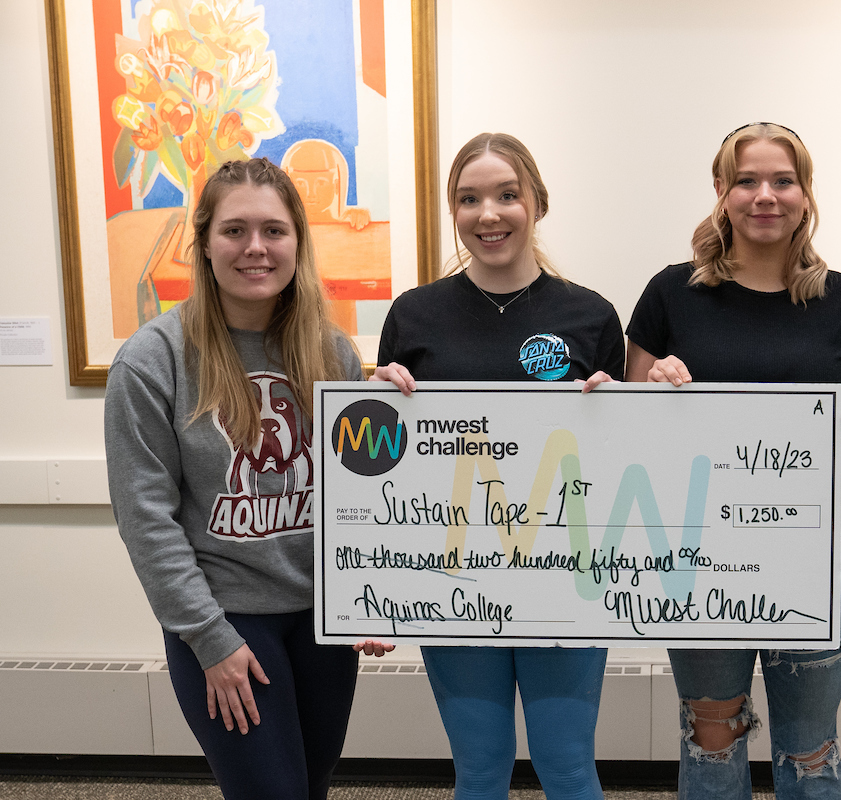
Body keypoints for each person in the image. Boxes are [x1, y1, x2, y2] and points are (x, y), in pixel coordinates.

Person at [625, 122, 841, 799]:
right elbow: (628, 432)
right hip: (698, 539)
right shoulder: (670, 293)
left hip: (812, 540)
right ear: (721, 191)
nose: (764, 196)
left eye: (782, 181)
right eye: (747, 180)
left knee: (810, 743)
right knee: (710, 731)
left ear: (805, 195)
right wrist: (655, 395)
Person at [104, 157, 380, 800]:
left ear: (297, 243)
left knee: (310, 787)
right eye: (234, 230)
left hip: (321, 621)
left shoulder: (332, 351)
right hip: (228, 619)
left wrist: (370, 585)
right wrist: (209, 639)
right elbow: (146, 519)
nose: (255, 248)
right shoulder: (153, 360)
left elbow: (360, 486)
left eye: (274, 231)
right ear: (203, 243)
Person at [366, 132, 624, 800]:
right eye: (470, 198)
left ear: (536, 201)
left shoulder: (589, 315)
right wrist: (373, 399)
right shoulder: (414, 315)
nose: (490, 213)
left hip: (563, 572)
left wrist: (619, 411)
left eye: (507, 195)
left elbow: (616, 463)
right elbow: (385, 465)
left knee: (567, 764)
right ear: (454, 211)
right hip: (455, 574)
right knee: (480, 767)